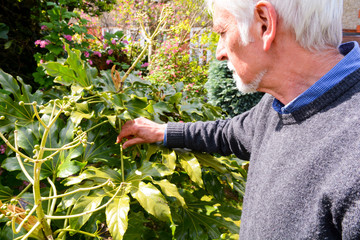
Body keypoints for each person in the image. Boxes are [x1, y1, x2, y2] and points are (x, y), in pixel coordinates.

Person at [117, 0, 360, 239]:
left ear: (264, 24)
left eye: (222, 32)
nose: (219, 53)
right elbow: (230, 133)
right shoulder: (279, 104)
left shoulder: (353, 155)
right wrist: (163, 132)